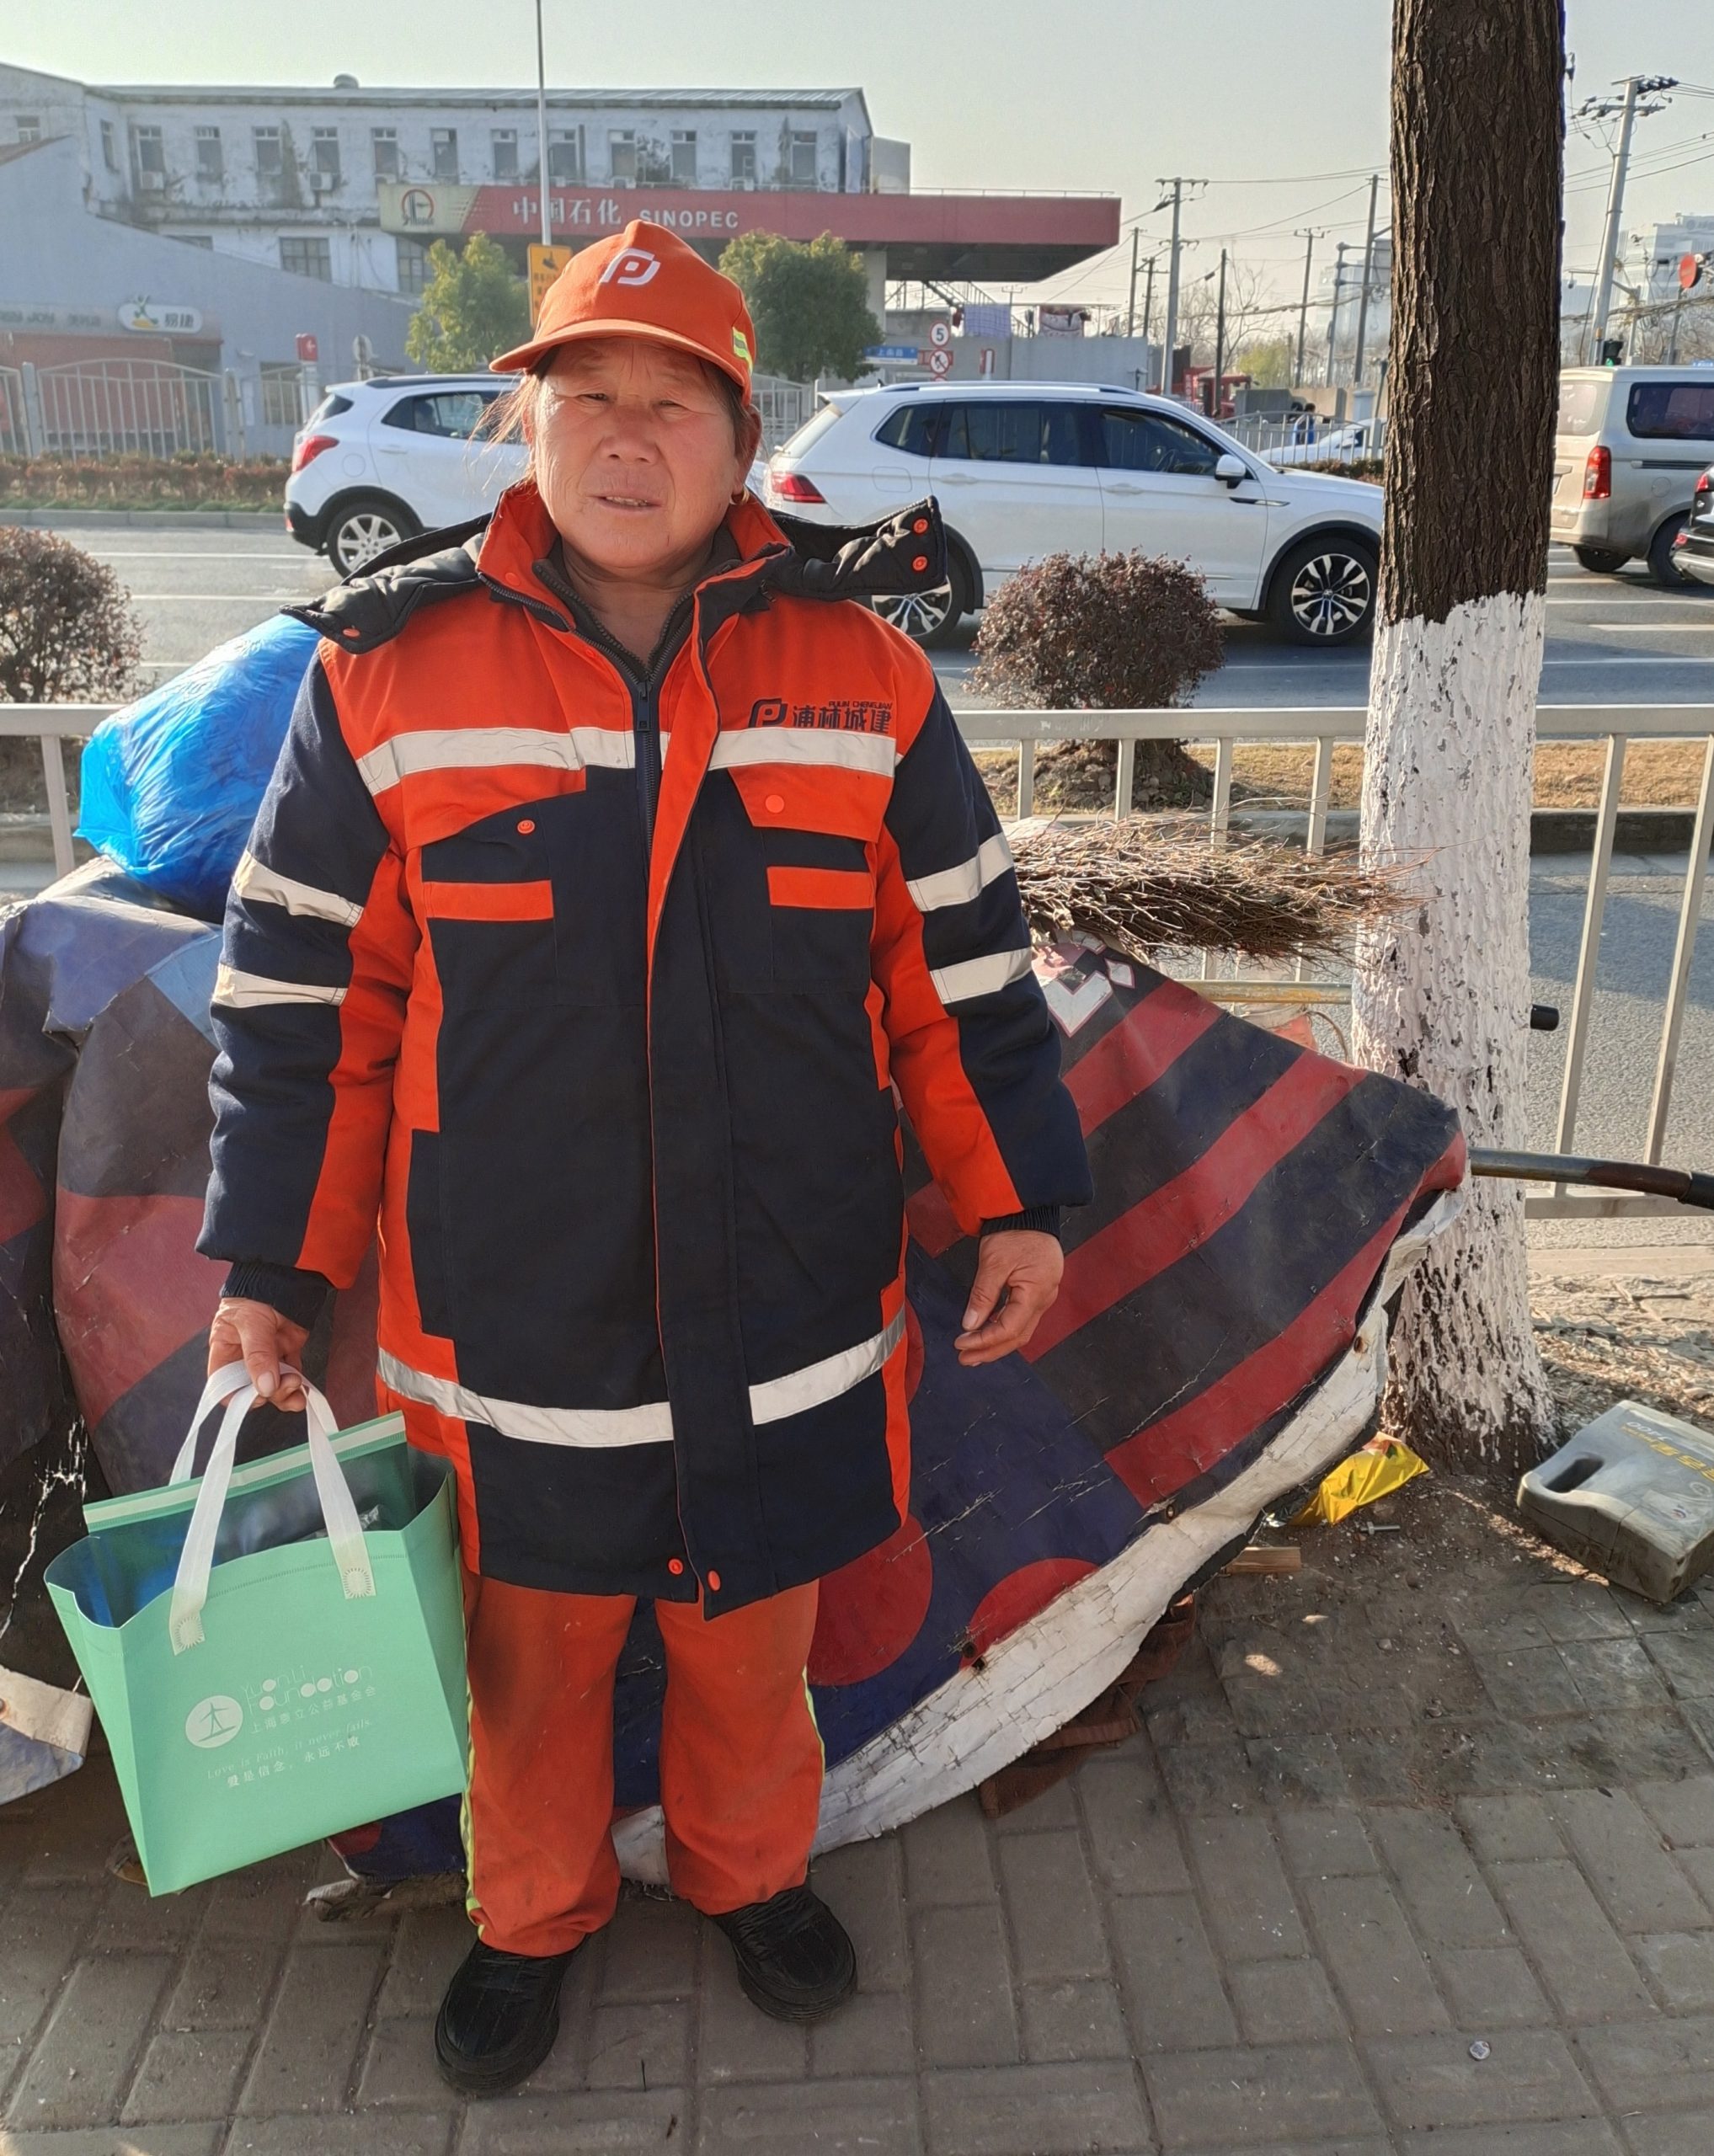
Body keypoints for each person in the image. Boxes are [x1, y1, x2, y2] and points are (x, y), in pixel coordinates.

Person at [199, 222, 1091, 2096]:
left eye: (672, 401)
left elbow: (958, 966)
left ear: (741, 436)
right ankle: (528, 1918)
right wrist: (274, 1268)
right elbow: (302, 1001)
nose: (625, 435)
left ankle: (749, 1873)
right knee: (524, 1665)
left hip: (788, 1297)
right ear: (524, 426)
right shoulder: (383, 675)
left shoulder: (863, 668)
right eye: (584, 394)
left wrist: (1015, 1200)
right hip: (513, 1315)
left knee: (747, 1642)